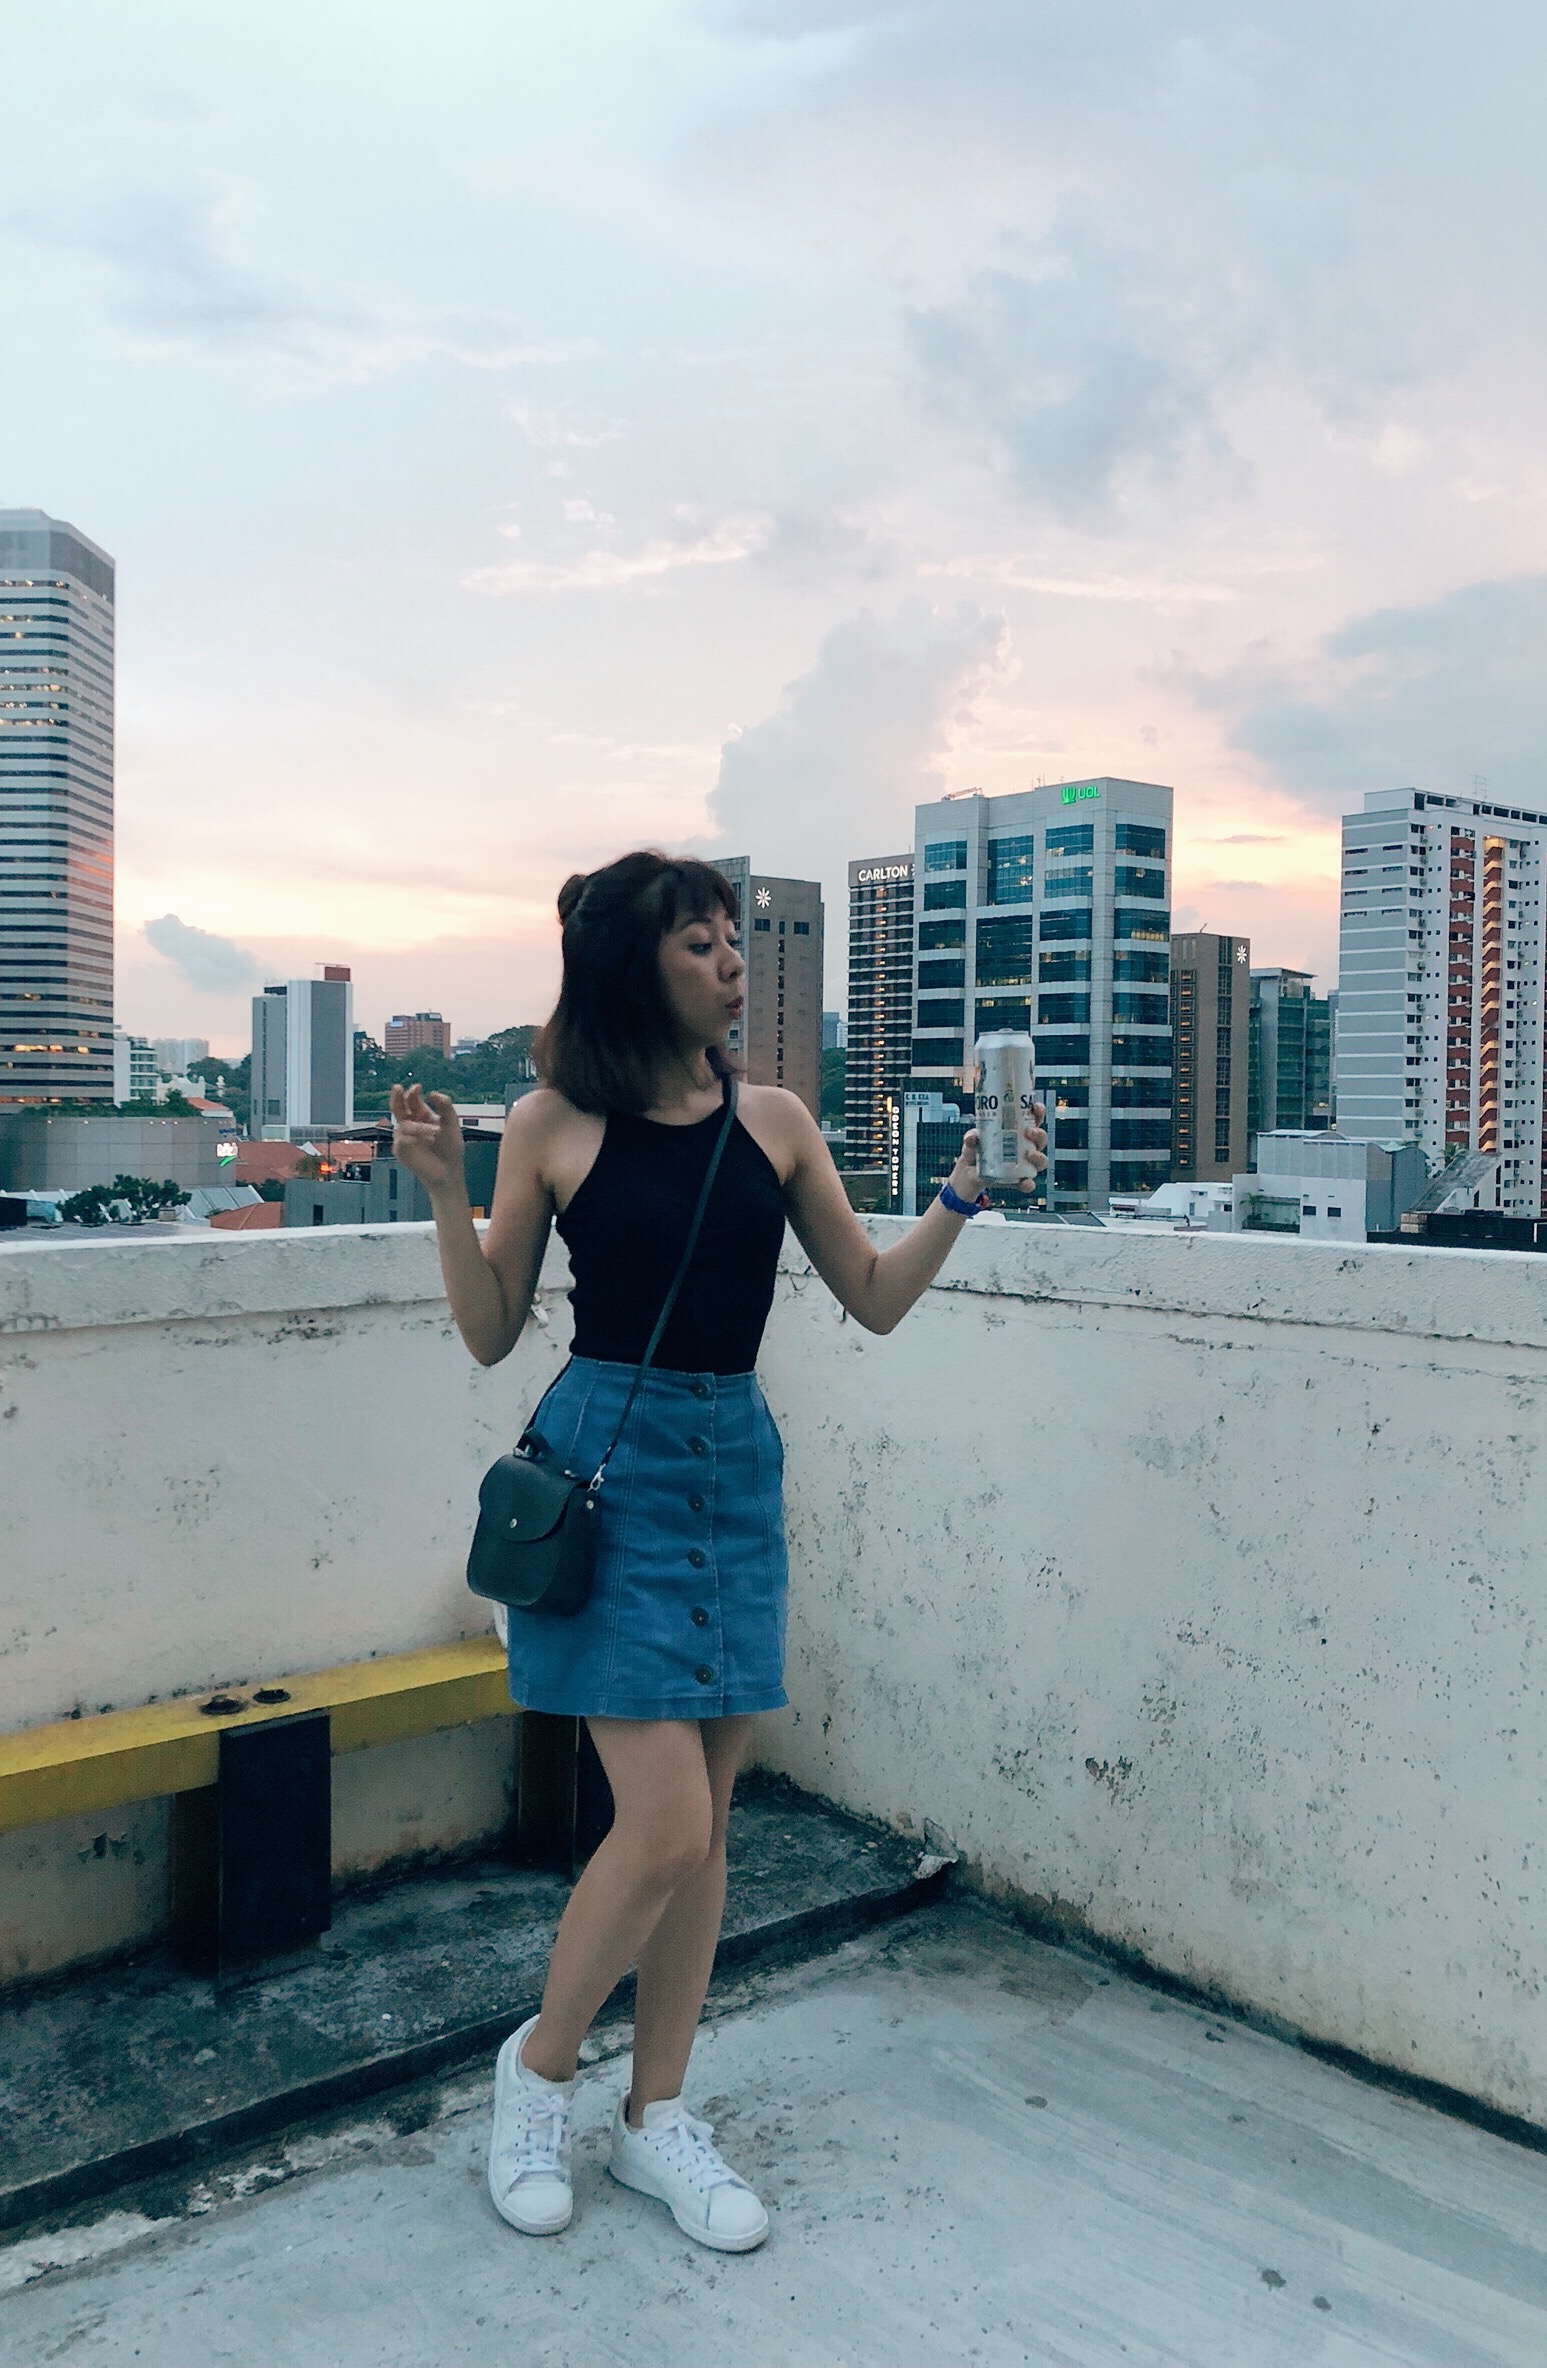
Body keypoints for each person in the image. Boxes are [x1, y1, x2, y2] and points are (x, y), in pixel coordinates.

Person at [390, 850, 1043, 2254]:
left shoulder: (778, 1121)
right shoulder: (549, 1122)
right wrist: (446, 1189)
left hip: (732, 1470)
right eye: (700, 943)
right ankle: (539, 2076)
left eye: (732, 939)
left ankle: (657, 2115)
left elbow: (871, 1296)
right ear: (636, 968)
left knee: (707, 1833)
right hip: (607, 1473)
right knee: (666, 1823)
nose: (733, 963)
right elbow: (493, 1330)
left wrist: (963, 1193)